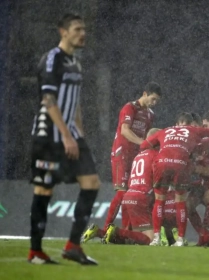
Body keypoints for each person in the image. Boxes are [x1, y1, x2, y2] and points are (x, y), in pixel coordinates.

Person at [28, 13, 99, 265]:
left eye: (84, 29)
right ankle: (35, 251)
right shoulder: (52, 59)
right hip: (49, 135)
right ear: (63, 32)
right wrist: (67, 135)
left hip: (71, 134)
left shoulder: (75, 63)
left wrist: (79, 133)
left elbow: (75, 103)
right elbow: (48, 100)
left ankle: (73, 246)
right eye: (78, 29)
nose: (83, 33)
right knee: (45, 189)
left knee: (91, 183)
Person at [82, 82, 161, 241]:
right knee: (122, 192)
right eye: (152, 99)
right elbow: (125, 130)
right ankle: (105, 229)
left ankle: (124, 231)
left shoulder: (150, 115)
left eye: (157, 101)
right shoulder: (129, 108)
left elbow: (147, 135)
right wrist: (143, 144)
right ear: (144, 94)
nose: (154, 103)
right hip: (122, 153)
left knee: (131, 193)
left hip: (136, 156)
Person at [140, 112, 209, 246]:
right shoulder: (193, 130)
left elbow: (143, 145)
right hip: (181, 165)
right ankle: (180, 239)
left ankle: (156, 238)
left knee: (159, 201)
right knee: (181, 202)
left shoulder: (165, 130)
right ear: (189, 124)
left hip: (162, 163)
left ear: (177, 123)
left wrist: (163, 147)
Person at [102, 128, 160, 245]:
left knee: (134, 237)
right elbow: (157, 179)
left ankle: (100, 232)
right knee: (150, 239)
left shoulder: (138, 156)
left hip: (129, 196)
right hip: (141, 198)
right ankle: (116, 231)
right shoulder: (156, 155)